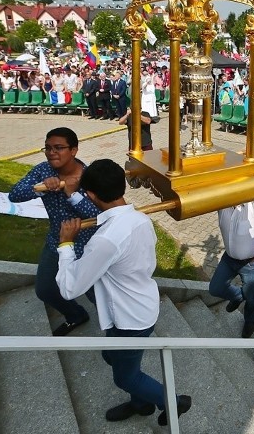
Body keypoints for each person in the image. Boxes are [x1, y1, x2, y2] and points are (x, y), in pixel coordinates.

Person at [55, 159, 192, 426]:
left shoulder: (105, 240)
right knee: (111, 356)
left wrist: (65, 245)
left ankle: (174, 402)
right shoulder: (140, 218)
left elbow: (69, 288)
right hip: (140, 304)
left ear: (91, 195)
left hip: (130, 318)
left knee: (124, 377)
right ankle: (141, 403)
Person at [9, 128, 100, 336]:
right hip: (56, 243)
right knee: (45, 289)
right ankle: (75, 315)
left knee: (97, 295)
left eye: (59, 148)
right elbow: (14, 195)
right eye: (48, 148)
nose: (52, 153)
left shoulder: (89, 177)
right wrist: (38, 187)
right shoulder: (43, 171)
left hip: (88, 247)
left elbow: (97, 216)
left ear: (74, 150)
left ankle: (119, 333)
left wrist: (71, 192)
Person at [209, 153, 254, 339]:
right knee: (215, 288)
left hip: (251, 263)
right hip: (229, 259)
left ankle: (250, 322)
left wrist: (253, 159)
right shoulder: (222, 204)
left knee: (252, 299)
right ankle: (236, 296)